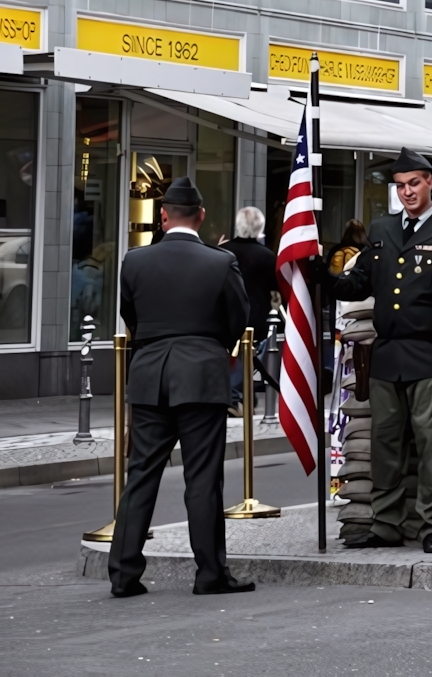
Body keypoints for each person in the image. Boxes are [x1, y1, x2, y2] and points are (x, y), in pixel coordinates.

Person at [108, 177, 251, 598]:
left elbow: (129, 315)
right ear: (202, 216)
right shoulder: (220, 262)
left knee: (142, 475)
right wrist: (209, 349)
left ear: (163, 216)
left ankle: (123, 573)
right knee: (203, 478)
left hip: (150, 373)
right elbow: (236, 318)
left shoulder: (134, 261)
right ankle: (209, 573)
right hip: (202, 373)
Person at [327, 149, 432, 554]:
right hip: (387, 353)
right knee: (385, 444)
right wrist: (324, 276)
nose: (407, 192)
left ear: (430, 183)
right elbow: (360, 283)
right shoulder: (382, 229)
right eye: (400, 185)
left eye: (414, 183)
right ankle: (386, 523)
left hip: (428, 352)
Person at [221, 207, 277, 416]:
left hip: (226, 315)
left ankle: (239, 397)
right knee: (248, 359)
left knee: (233, 358)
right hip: (257, 317)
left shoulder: (223, 251)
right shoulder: (268, 256)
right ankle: (238, 398)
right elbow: (276, 287)